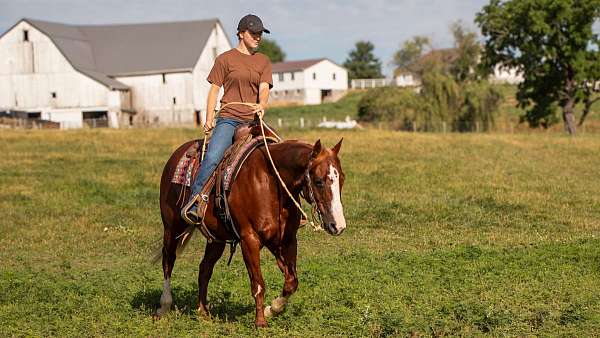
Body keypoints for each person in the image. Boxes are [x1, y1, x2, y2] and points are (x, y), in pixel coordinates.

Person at [182, 14, 273, 224]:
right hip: (229, 119)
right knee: (213, 156)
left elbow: (264, 88)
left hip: (252, 121)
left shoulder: (263, 61)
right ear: (241, 33)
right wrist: (208, 118)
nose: (258, 37)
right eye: (253, 33)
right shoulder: (225, 59)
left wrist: (262, 105)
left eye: (260, 34)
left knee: (278, 152)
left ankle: (286, 207)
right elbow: (214, 90)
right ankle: (195, 202)